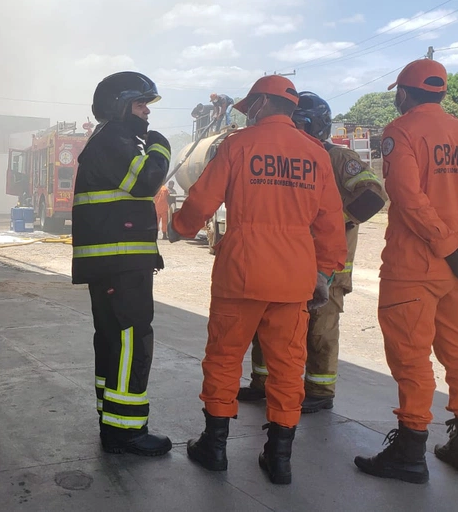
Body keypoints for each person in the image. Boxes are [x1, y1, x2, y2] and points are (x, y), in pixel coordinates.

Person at [169, 75, 347, 485]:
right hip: (294, 277)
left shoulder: (238, 145)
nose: (248, 115)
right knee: (288, 368)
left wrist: (179, 226)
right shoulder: (316, 154)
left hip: (242, 273)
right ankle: (279, 459)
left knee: (224, 358)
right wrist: (324, 272)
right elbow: (331, 222)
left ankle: (214, 448)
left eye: (251, 108)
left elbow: (202, 199)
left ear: (264, 105)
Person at [354, 59, 458, 484]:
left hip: (415, 267)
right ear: (439, 93)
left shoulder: (401, 132)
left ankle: (409, 451)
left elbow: (405, 194)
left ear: (404, 93)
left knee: (411, 355)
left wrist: (449, 246)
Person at [238, 91, 387, 413]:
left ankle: (319, 391)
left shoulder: (338, 158)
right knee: (269, 325)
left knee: (319, 329)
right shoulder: (289, 156)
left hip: (328, 266)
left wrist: (332, 222)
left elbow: (373, 196)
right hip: (286, 261)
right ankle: (263, 382)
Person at [72, 71, 172, 456]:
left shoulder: (110, 139)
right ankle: (126, 432)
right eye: (140, 103)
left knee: (113, 340)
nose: (147, 113)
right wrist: (160, 147)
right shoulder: (116, 138)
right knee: (133, 339)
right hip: (120, 262)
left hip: (112, 261)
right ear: (119, 106)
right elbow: (146, 181)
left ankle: (112, 421)